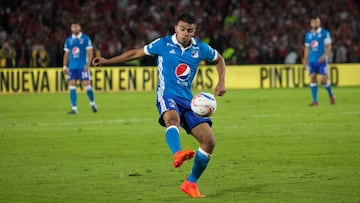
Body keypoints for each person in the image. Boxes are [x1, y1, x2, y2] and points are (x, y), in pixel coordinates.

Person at [92, 13, 226, 198]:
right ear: (175, 28)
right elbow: (135, 53)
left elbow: (219, 59)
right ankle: (177, 153)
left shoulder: (200, 48)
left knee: (209, 141)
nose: (185, 33)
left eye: (190, 30)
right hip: (167, 94)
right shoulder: (162, 44)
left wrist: (221, 82)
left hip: (188, 100)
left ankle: (190, 183)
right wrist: (108, 60)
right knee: (172, 119)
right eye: (182, 29)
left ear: (194, 31)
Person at [63, 21, 97, 114]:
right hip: (72, 67)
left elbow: (90, 52)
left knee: (87, 85)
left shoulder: (85, 39)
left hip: (83, 66)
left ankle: (92, 103)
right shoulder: (68, 40)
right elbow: (66, 54)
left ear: (80, 27)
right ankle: (74, 108)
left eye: (76, 27)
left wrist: (88, 64)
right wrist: (65, 66)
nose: (74, 28)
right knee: (72, 85)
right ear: (71, 28)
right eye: (73, 27)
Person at [303, 15, 335, 106]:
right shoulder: (308, 35)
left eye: (316, 22)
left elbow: (329, 46)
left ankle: (331, 95)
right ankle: (315, 101)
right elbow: (306, 48)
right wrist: (305, 61)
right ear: (311, 23)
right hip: (312, 61)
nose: (314, 24)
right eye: (313, 22)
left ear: (319, 22)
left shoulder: (325, 33)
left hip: (321, 61)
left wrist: (324, 55)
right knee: (312, 78)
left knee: (323, 81)